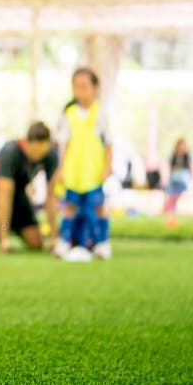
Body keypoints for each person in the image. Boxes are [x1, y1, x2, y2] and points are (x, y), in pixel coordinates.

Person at [0, 121, 59, 253]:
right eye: (34, 151)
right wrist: (5, 241)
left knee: (36, 243)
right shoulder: (11, 152)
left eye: (41, 152)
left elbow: (51, 197)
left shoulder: (50, 156)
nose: (37, 156)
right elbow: (4, 196)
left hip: (17, 193)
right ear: (27, 143)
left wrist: (54, 238)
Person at [53, 67, 113, 259]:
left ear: (95, 88)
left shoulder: (100, 113)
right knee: (69, 205)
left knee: (98, 206)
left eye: (85, 86)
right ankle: (64, 241)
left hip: (93, 171)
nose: (80, 90)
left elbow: (109, 143)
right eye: (76, 86)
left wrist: (107, 166)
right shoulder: (69, 113)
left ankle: (103, 243)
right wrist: (61, 168)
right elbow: (65, 144)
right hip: (74, 171)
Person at [164, 138, 192, 227]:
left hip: (183, 180)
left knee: (175, 197)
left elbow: (191, 168)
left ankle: (172, 216)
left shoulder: (187, 157)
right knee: (171, 197)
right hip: (173, 180)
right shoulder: (173, 156)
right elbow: (168, 168)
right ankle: (171, 217)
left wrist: (192, 180)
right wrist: (166, 180)